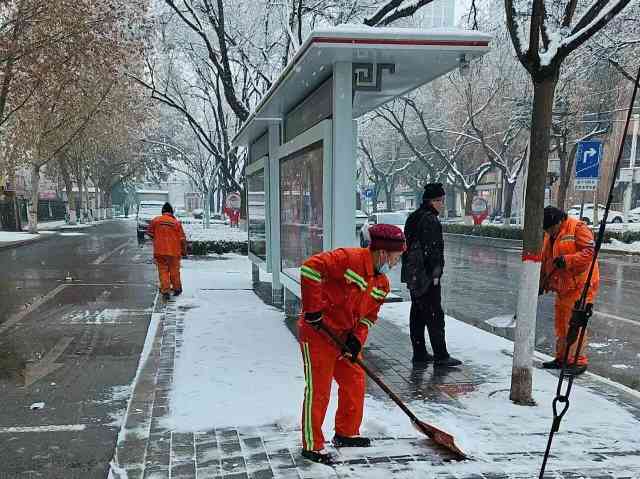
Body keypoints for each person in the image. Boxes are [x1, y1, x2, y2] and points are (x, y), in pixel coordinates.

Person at [298, 224, 406, 465]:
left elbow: (369, 316)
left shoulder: (382, 284)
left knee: (355, 380)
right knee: (319, 388)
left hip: (344, 337)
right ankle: (312, 444)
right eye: (396, 257)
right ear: (383, 253)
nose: (396, 263)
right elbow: (310, 269)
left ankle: (346, 432)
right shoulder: (348, 259)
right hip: (318, 332)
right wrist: (313, 309)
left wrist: (357, 339)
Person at [401, 182, 462, 368]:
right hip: (426, 276)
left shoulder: (413, 218)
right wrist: (435, 274)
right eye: (441, 201)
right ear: (432, 201)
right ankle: (441, 355)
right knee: (435, 315)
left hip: (413, 275)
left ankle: (419, 353)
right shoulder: (430, 220)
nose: (443, 204)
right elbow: (432, 250)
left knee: (418, 313)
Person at [540, 206, 599, 376]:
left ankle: (578, 361)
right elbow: (546, 261)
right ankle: (562, 358)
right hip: (564, 286)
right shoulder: (550, 235)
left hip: (581, 285)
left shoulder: (577, 228)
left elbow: (590, 253)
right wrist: (542, 283)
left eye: (551, 228)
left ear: (559, 221)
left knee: (575, 323)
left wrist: (567, 260)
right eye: (547, 230)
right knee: (561, 323)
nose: (549, 232)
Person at [146, 202, 187, 301]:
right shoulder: (176, 223)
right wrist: (184, 252)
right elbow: (182, 239)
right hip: (174, 252)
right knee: (174, 271)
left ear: (162, 211)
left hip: (160, 251)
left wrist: (157, 238)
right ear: (172, 212)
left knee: (163, 271)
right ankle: (177, 289)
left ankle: (165, 291)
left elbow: (150, 233)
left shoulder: (156, 220)